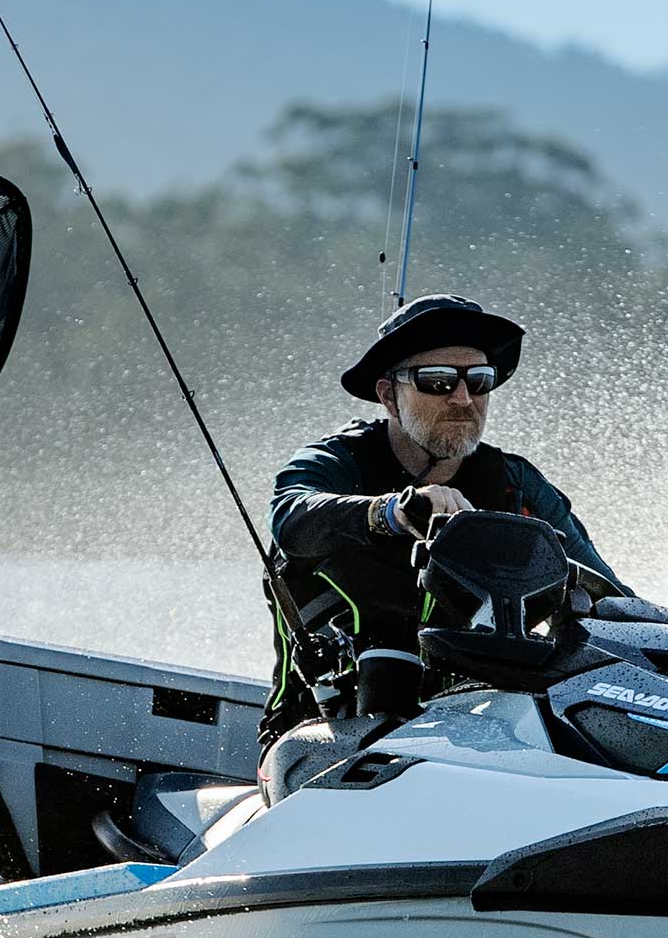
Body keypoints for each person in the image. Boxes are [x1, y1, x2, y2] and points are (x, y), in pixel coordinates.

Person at [264, 293, 623, 743]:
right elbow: (291, 516)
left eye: (479, 381)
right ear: (388, 395)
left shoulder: (515, 484)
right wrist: (390, 511)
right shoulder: (337, 461)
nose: (462, 398)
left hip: (474, 738)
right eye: (437, 381)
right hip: (320, 741)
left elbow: (611, 601)